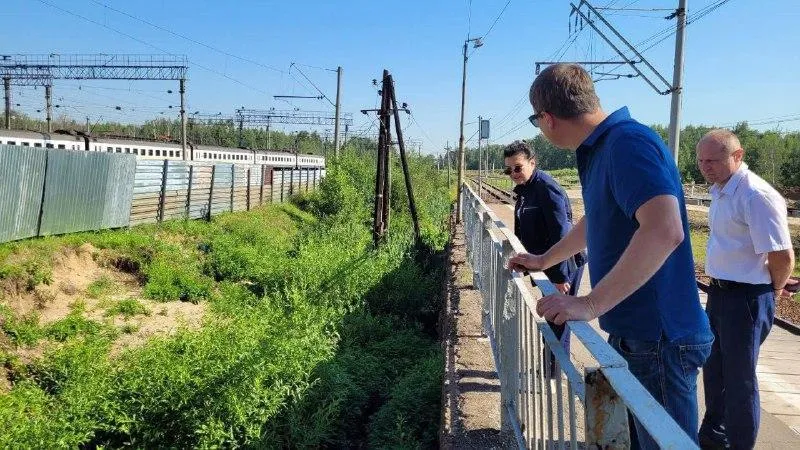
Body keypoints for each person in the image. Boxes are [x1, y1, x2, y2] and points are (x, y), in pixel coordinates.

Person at [507, 63, 712, 449]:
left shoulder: (626, 144)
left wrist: (590, 302)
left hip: (659, 338)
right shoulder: (602, 147)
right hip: (640, 333)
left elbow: (664, 229)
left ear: (547, 119)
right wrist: (542, 259)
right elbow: (597, 219)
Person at [695, 129, 795, 450]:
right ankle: (713, 438)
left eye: (712, 160)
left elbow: (782, 256)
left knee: (740, 380)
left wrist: (774, 289)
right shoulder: (722, 190)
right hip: (722, 293)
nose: (705, 167)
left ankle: (739, 445)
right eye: (701, 161)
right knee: (715, 372)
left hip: (747, 299)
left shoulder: (755, 195)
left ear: (737, 156)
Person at [503, 140, 585, 373]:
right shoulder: (527, 190)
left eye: (518, 167)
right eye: (509, 170)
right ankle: (552, 370)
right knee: (552, 319)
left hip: (563, 266)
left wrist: (560, 276)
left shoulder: (546, 188)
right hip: (546, 264)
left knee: (557, 321)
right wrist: (524, 261)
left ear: (532, 163)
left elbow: (561, 233)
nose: (514, 174)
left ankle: (554, 374)